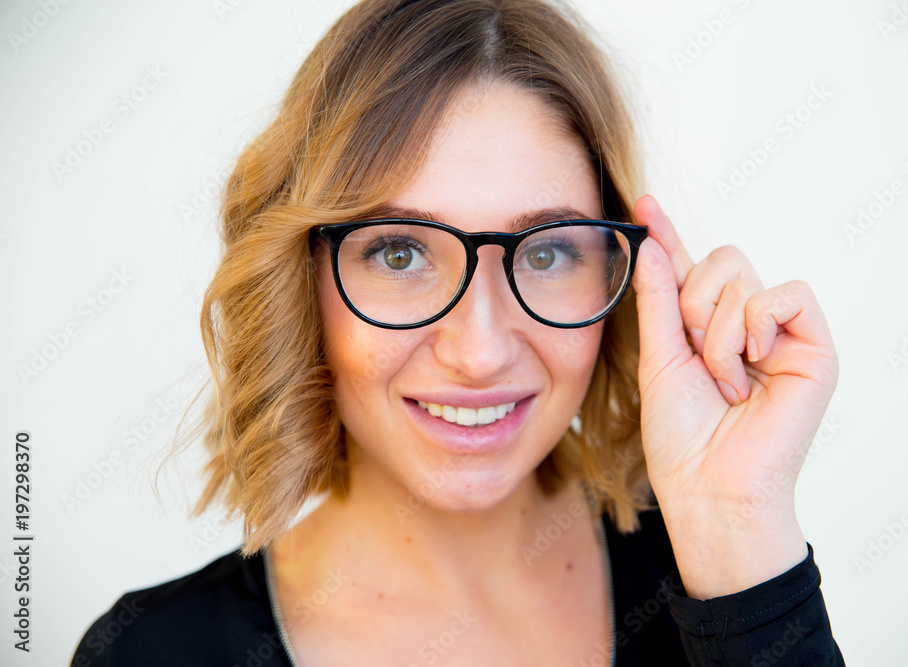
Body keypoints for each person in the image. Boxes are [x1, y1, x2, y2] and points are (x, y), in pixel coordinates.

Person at [72, 0, 845, 664]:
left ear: (627, 278)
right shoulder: (153, 651)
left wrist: (736, 531)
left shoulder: (711, 571)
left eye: (545, 252)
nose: (478, 352)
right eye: (400, 252)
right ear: (300, 283)